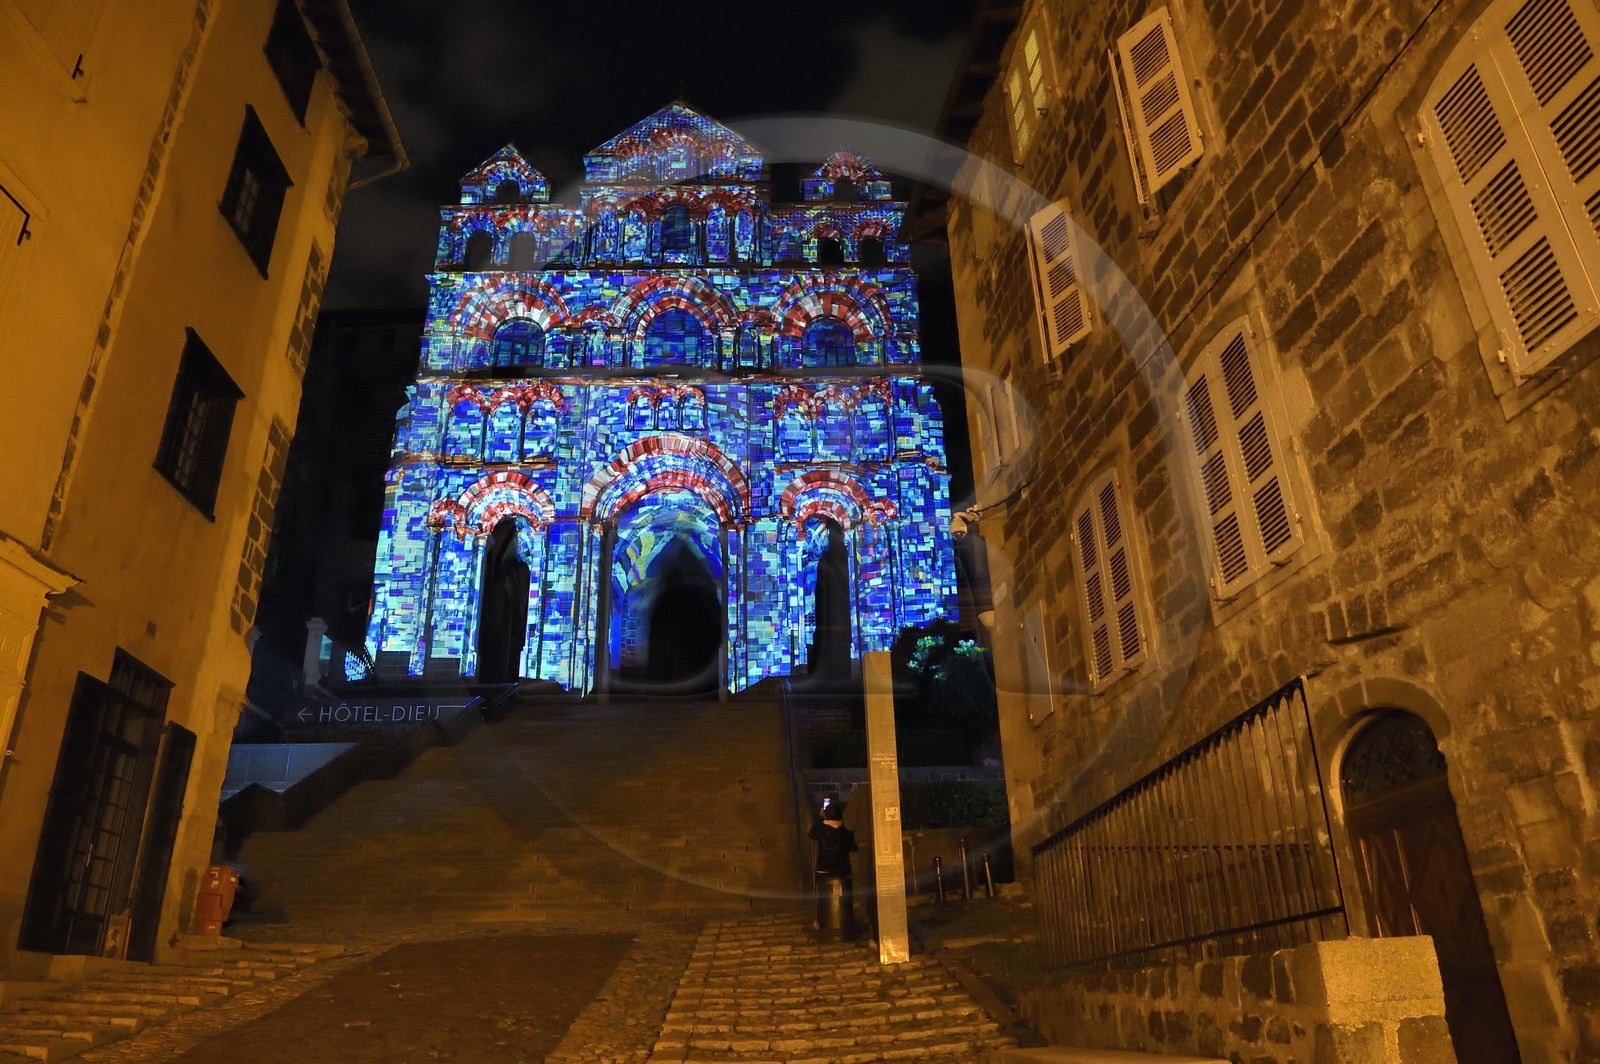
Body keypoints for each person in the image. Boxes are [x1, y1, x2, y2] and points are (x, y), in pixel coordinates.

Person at [809, 798, 857, 935]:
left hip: (823, 870)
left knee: (821, 896)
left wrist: (820, 817)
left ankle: (822, 919)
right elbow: (854, 847)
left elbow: (811, 833)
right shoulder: (846, 833)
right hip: (842, 871)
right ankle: (846, 919)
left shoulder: (821, 830)